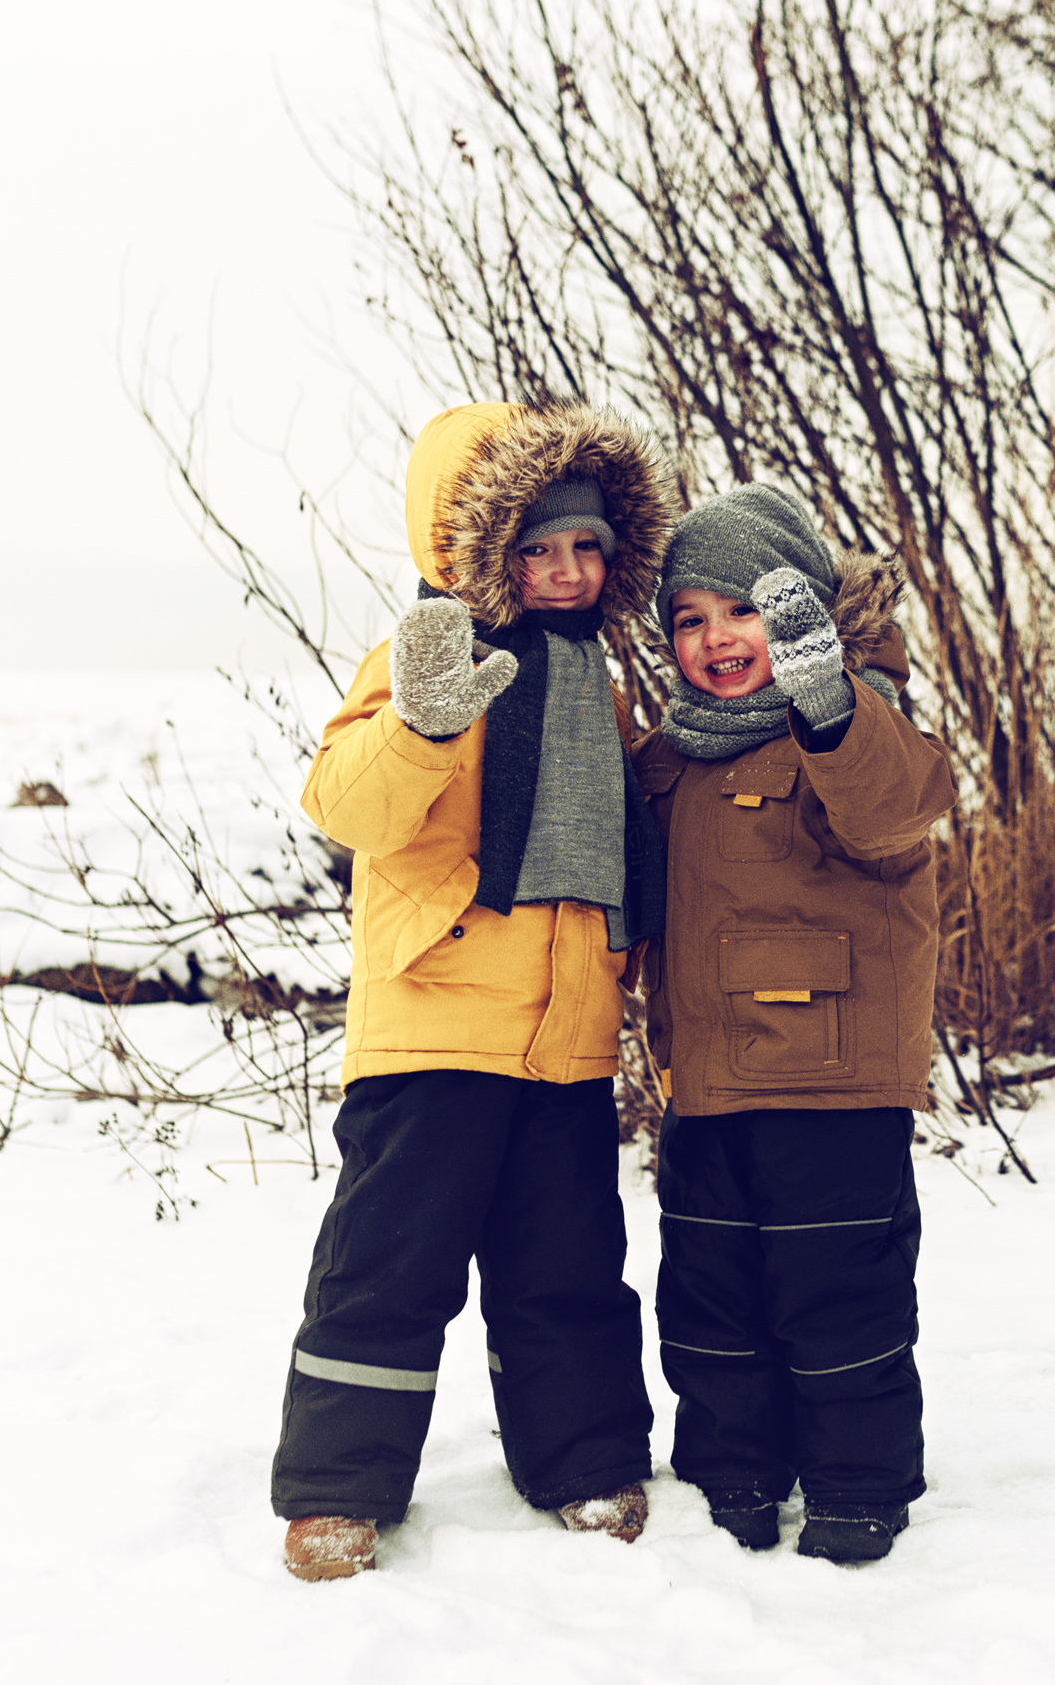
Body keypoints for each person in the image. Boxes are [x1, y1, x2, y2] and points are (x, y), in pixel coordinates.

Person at [271, 400, 672, 1582]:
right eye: (536, 547)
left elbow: (613, 859)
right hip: (434, 1025)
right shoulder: (420, 658)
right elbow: (350, 807)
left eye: (585, 546)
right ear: (478, 548)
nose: (563, 570)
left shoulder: (599, 685)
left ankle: (586, 1460)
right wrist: (426, 720)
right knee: (387, 1271)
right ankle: (338, 1489)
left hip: (563, 1038)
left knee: (567, 1266)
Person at [633, 482, 954, 1564]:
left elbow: (898, 809)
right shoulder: (671, 753)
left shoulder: (854, 725)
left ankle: (860, 1484)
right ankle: (735, 1469)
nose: (718, 639)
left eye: (745, 611)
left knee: (839, 1301)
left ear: (806, 619)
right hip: (706, 1082)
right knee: (711, 1299)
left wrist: (830, 704)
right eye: (691, 618)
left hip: (831, 1080)